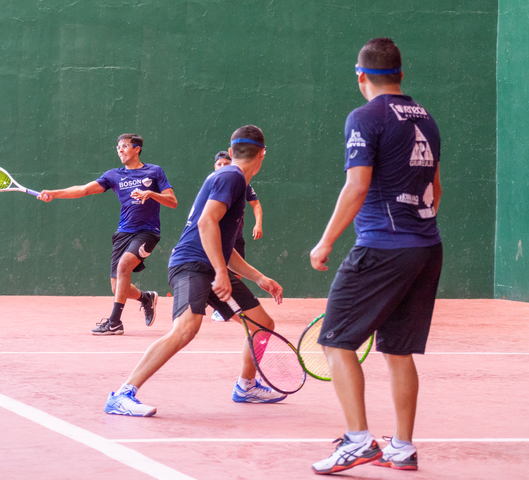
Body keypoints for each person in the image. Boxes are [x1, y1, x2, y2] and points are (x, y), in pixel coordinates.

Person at [308, 38, 442, 474]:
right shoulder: (426, 117)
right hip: (426, 246)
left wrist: (325, 242)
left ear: (360, 76)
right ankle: (401, 448)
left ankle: (358, 441)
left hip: (384, 246)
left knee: (334, 340)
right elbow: (435, 191)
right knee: (399, 351)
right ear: (401, 74)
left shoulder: (365, 117)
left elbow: (357, 186)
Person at [104, 125, 286, 417]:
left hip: (209, 267)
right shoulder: (231, 177)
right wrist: (221, 272)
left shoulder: (230, 178)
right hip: (190, 265)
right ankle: (123, 393)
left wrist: (260, 278)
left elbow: (224, 246)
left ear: (231, 149)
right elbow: (206, 224)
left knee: (261, 325)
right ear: (262, 153)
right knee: (187, 328)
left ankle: (246, 386)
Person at [38, 134, 177, 335]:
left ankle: (114, 322)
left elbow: (172, 201)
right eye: (118, 147)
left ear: (137, 149)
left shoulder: (154, 172)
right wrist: (55, 193)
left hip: (148, 232)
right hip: (123, 232)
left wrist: (151, 194)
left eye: (125, 146)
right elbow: (84, 190)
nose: (120, 150)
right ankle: (146, 298)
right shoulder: (114, 175)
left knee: (124, 266)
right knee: (117, 286)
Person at [210, 150, 263, 322]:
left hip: (235, 237)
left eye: (227, 163)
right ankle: (216, 303)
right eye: (220, 164)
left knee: (235, 273)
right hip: (215, 238)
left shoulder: (242, 184)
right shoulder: (212, 184)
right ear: (215, 167)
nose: (223, 166)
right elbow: (204, 220)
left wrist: (258, 224)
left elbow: (256, 205)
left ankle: (224, 306)